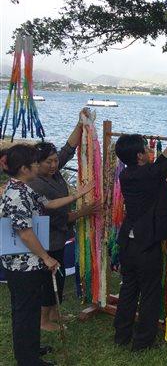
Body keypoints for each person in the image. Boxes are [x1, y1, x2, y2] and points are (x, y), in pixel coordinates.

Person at [0, 144, 93, 366]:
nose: (39, 166)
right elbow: (25, 233)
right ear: (24, 168)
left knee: (30, 309)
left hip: (29, 262)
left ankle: (31, 348)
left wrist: (77, 195)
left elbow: (49, 203)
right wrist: (46, 257)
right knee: (24, 311)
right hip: (22, 264)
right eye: (35, 164)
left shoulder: (26, 188)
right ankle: (27, 359)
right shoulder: (16, 195)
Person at [113, 131, 167, 351]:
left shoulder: (127, 175)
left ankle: (122, 334)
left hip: (129, 243)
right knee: (150, 292)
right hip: (146, 245)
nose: (149, 152)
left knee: (129, 288)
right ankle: (143, 341)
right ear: (139, 156)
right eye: (146, 150)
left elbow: (159, 166)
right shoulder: (149, 175)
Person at [30, 111, 101, 331]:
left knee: (58, 280)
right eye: (49, 162)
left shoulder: (53, 172)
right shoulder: (37, 184)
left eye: (54, 161)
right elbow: (57, 216)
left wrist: (80, 124)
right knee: (48, 281)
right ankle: (43, 321)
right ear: (36, 163)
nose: (54, 164)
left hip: (59, 236)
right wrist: (84, 210)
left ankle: (53, 316)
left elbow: (68, 149)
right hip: (47, 238)